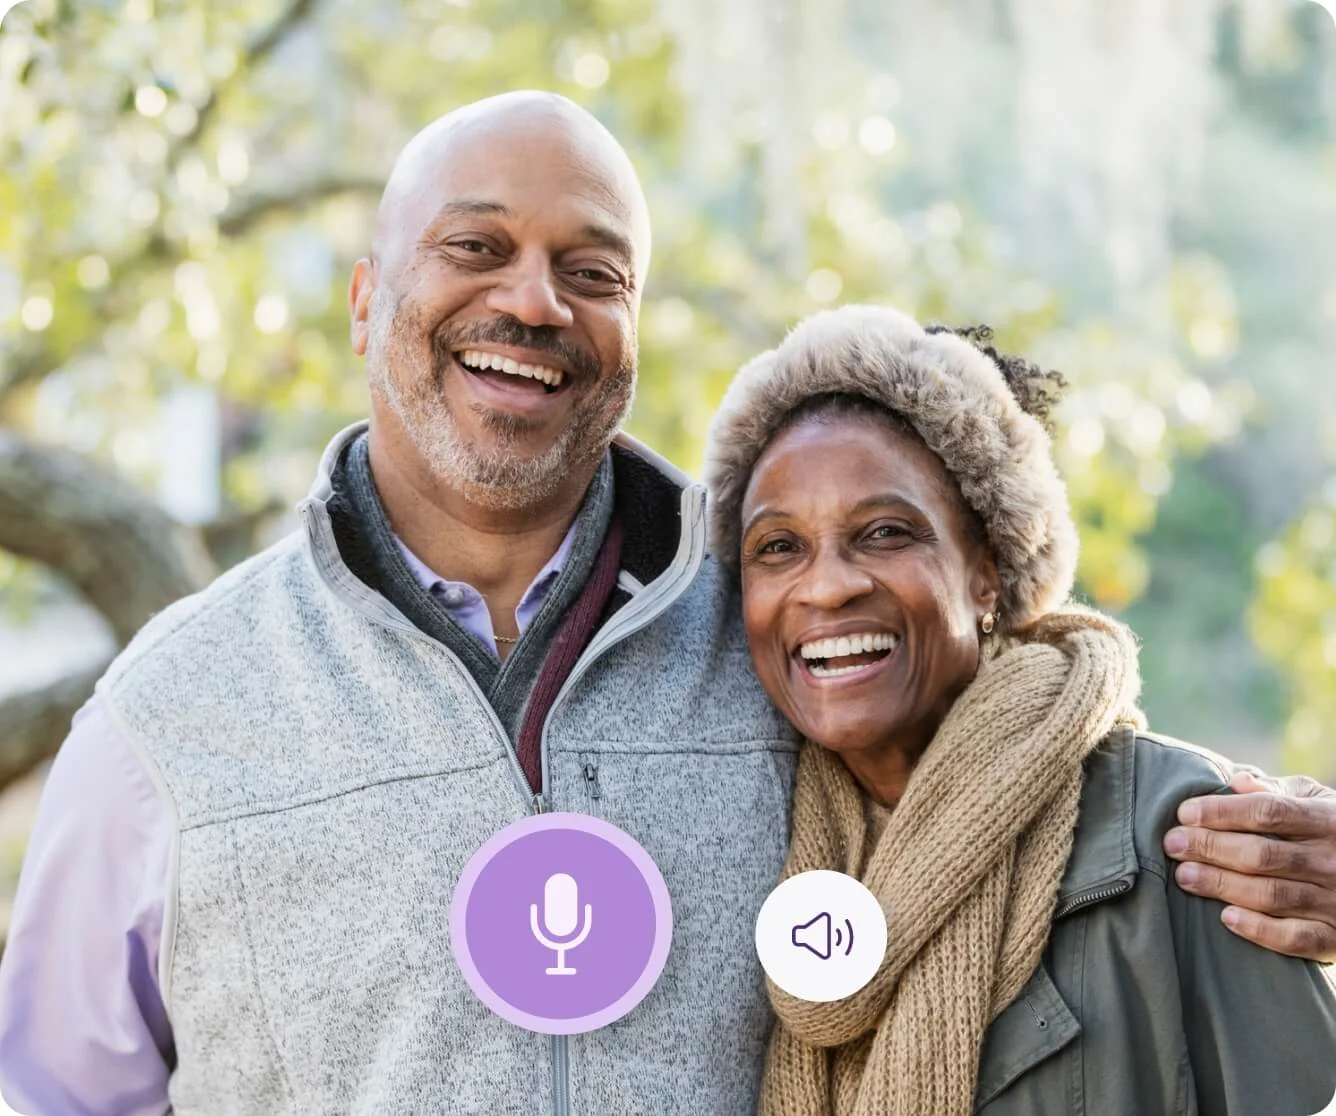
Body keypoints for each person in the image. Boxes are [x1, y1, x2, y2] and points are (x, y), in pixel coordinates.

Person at [0, 91, 1333, 1115]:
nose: (533, 302)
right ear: (365, 303)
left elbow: (1028, 745)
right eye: (476, 247)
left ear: (633, 327)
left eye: (594, 272)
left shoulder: (776, 641)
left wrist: (1302, 854)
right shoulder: (171, 717)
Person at [702, 304, 1336, 1115]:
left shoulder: (1181, 838)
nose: (827, 585)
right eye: (778, 547)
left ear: (989, 574)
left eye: (888, 532)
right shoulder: (738, 836)